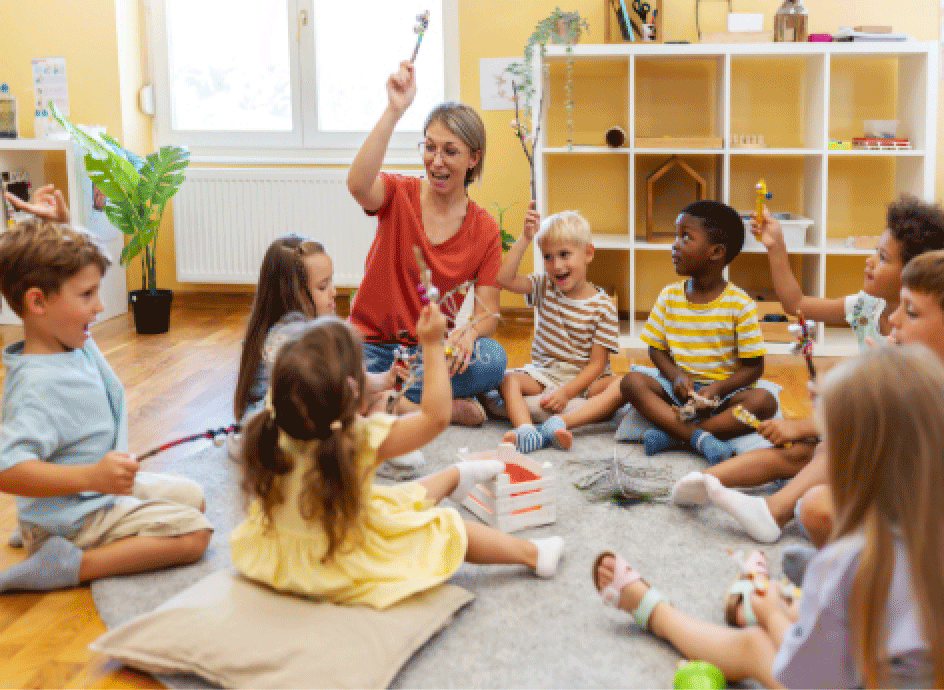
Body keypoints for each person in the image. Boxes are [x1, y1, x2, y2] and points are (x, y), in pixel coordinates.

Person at [592, 345, 944, 688]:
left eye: (829, 444)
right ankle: (775, 604)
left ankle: (656, 613)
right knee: (825, 616)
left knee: (756, 646)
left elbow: (807, 675)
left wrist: (773, 614)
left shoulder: (849, 561)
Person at [229, 305, 564, 609]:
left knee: (388, 499)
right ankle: (533, 554)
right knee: (445, 526)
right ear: (354, 392)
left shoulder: (275, 418)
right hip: (338, 561)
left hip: (280, 554)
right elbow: (435, 418)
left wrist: (380, 382)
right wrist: (432, 347)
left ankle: (457, 475)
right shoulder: (360, 438)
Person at [678, 196, 944, 544]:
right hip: (873, 440)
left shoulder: (924, 354)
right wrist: (776, 247)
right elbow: (797, 304)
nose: (870, 261)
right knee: (805, 451)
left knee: (822, 454)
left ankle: (775, 510)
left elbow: (881, 418)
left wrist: (805, 423)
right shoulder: (868, 309)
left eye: (882, 257)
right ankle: (708, 480)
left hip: (896, 459)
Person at [0, 193, 213, 592]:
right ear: (37, 302)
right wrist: (91, 476)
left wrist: (62, 228)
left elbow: (63, 276)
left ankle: (39, 524)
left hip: (88, 495)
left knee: (193, 497)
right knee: (194, 533)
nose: (99, 306)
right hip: (79, 513)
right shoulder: (35, 386)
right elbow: (7, 470)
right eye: (87, 295)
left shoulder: (68, 339)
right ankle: (64, 561)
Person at [538, 200, 777, 466]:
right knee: (632, 382)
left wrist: (718, 388)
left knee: (764, 401)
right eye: (676, 236)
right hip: (677, 394)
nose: (675, 245)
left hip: (722, 397)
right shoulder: (669, 296)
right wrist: (675, 376)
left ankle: (681, 435)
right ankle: (697, 436)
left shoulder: (740, 305)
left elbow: (754, 367)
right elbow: (657, 349)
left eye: (685, 237)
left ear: (716, 252)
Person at [346, 61, 507, 427]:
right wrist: (394, 110)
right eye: (430, 147)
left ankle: (383, 399)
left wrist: (469, 332)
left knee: (493, 359)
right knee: (326, 364)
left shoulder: (484, 229)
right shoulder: (398, 193)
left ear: (474, 158)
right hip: (370, 348)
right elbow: (357, 185)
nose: (436, 161)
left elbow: (489, 312)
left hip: (427, 353)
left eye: (450, 151)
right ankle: (427, 407)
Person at [232, 234, 419, 478]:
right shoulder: (287, 339)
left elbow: (346, 383)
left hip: (308, 412)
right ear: (294, 294)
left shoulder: (314, 331)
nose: (333, 292)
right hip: (281, 424)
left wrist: (385, 379)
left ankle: (369, 445)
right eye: (322, 287)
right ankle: (367, 448)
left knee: (383, 398)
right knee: (352, 412)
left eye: (331, 282)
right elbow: (321, 400)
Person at [496, 205, 619, 453]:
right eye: (548, 257)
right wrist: (526, 238)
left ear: (588, 254)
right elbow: (504, 279)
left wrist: (566, 393)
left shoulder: (604, 306)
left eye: (564, 254)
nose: (556, 265)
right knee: (508, 380)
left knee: (625, 384)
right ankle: (527, 431)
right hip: (546, 374)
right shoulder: (544, 285)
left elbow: (597, 365)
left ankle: (560, 423)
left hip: (588, 380)